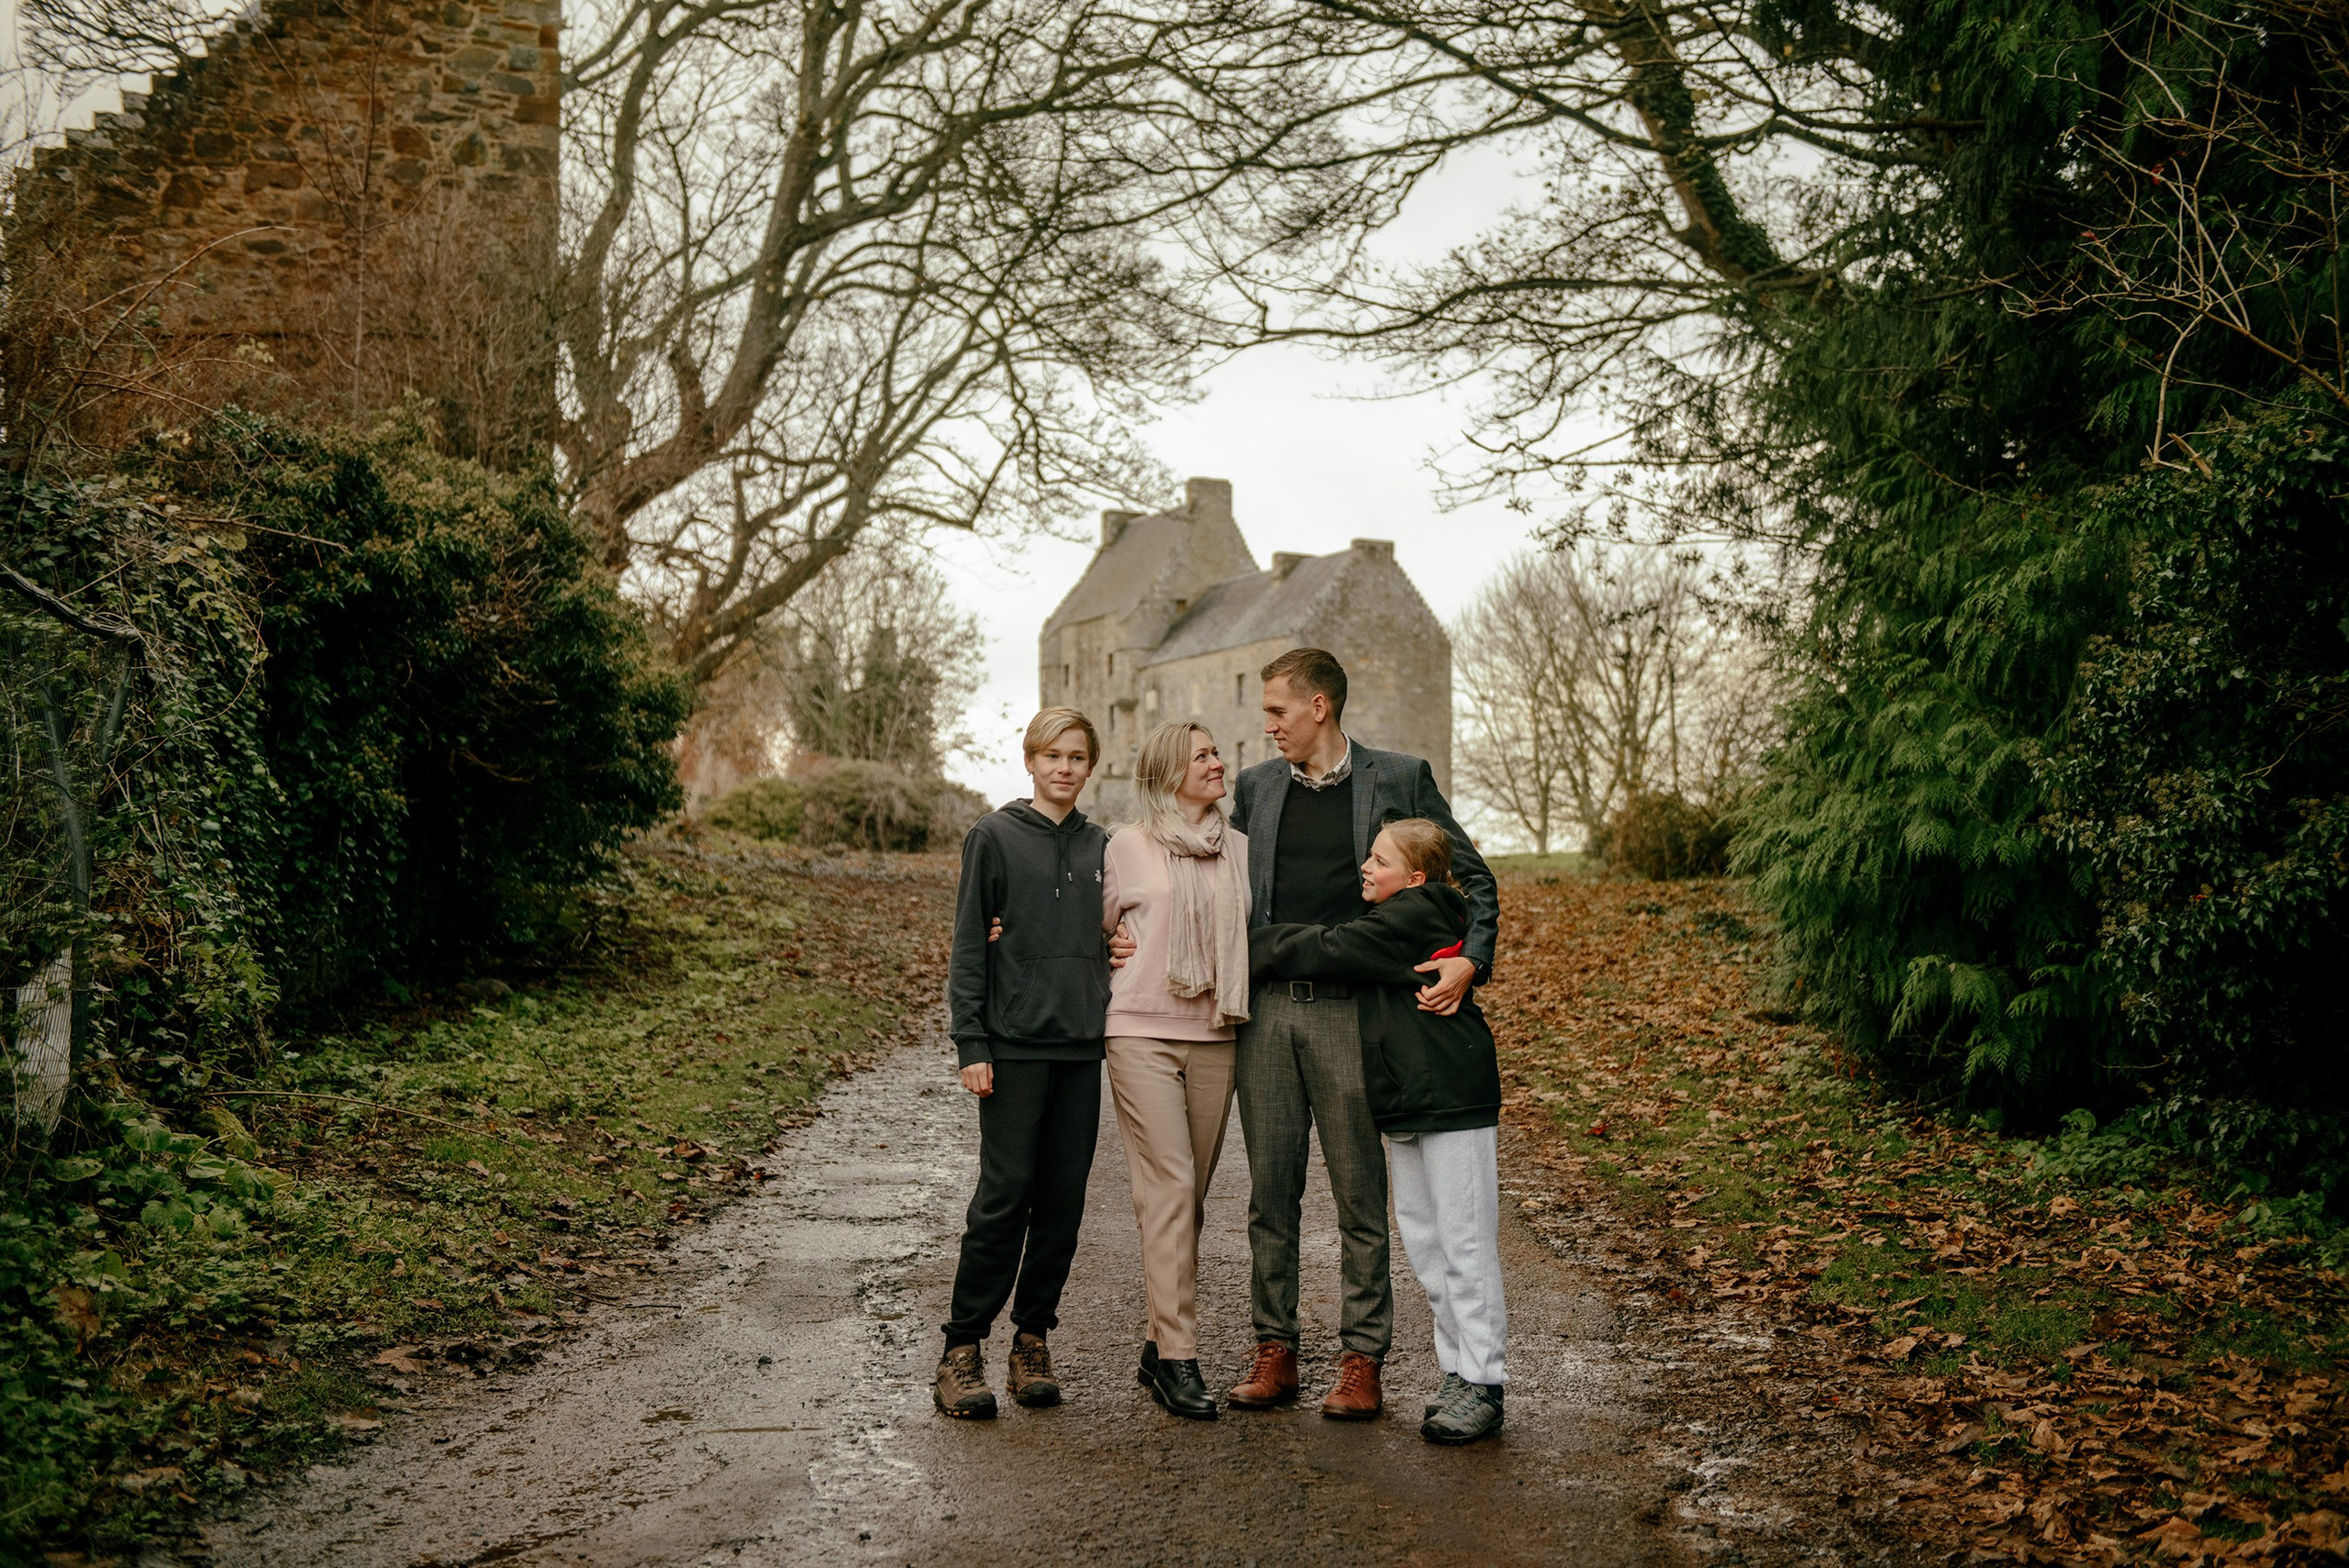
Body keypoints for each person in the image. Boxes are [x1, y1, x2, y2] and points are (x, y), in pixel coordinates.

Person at [1224, 647, 1497, 1420]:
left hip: (1357, 1012)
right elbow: (1225, 892)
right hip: (1270, 1012)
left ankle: (1361, 1358)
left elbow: (1470, 876)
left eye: (1277, 709)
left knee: (1361, 1194)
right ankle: (1274, 1348)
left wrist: (1471, 961)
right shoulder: (1255, 787)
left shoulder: (1400, 777)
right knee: (1271, 1189)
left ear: (1319, 707)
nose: (1267, 723)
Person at [1250, 818, 1508, 1445]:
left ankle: (1484, 1380)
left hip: (1452, 1096)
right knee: (1426, 1240)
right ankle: (1456, 1370)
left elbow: (1329, 948)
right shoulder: (1403, 910)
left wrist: (1246, 943)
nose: (1364, 866)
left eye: (1379, 859)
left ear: (1414, 876)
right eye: (1367, 855)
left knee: (1465, 1242)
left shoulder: (1419, 912)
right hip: (1411, 1099)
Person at [935, 707, 1111, 1419]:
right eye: (1052, 755)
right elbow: (970, 944)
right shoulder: (995, 836)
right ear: (1030, 760)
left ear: (1090, 766)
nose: (1064, 767)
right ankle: (961, 1347)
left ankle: (1031, 1339)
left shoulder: (1105, 845)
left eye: (1077, 756)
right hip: (1011, 1047)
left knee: (1063, 1205)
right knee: (1004, 1199)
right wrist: (970, 1042)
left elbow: (1123, 923)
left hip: (1080, 1047)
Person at [1101, 722, 1252, 1421]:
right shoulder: (1127, 846)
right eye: (1203, 756)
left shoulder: (1242, 850)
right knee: (1168, 1186)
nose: (1219, 763)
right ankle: (1178, 1358)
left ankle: (1158, 1337)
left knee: (1188, 1198)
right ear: (1168, 772)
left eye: (1218, 753)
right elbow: (1088, 927)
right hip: (1140, 1034)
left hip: (1217, 1033)